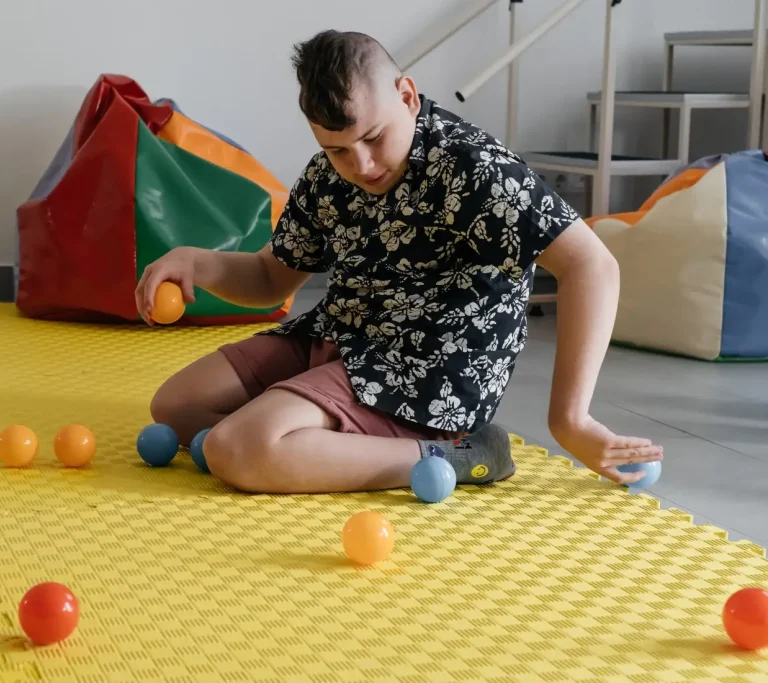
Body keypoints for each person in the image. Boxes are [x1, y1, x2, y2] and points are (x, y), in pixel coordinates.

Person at [135, 29, 664, 494]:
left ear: (406, 96)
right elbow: (272, 276)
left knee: (236, 448)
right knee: (177, 406)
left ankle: (460, 453)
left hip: (429, 371)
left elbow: (593, 266)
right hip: (345, 337)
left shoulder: (474, 169)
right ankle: (310, 435)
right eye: (338, 149)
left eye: (372, 137)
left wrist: (570, 419)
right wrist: (195, 263)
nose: (360, 164)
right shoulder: (328, 175)